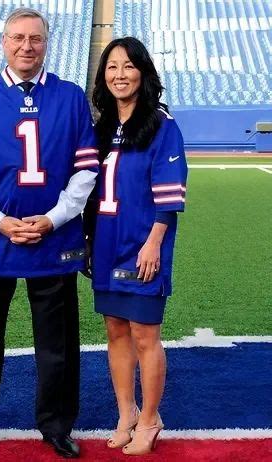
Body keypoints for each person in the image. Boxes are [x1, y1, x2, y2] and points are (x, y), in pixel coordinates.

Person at [0, 8, 99, 459]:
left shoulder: (69, 97)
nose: (26, 46)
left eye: (35, 38)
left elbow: (86, 169)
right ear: (4, 42)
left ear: (47, 43)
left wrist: (54, 217)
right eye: (18, 38)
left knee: (58, 344)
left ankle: (56, 425)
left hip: (55, 240)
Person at [85, 37, 187, 456]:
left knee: (146, 334)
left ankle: (150, 418)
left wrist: (155, 243)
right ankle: (126, 413)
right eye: (112, 67)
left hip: (143, 243)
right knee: (115, 331)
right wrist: (88, 241)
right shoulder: (102, 127)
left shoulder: (161, 125)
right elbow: (90, 192)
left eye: (128, 66)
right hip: (107, 242)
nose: (119, 75)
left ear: (143, 73)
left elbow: (168, 199)